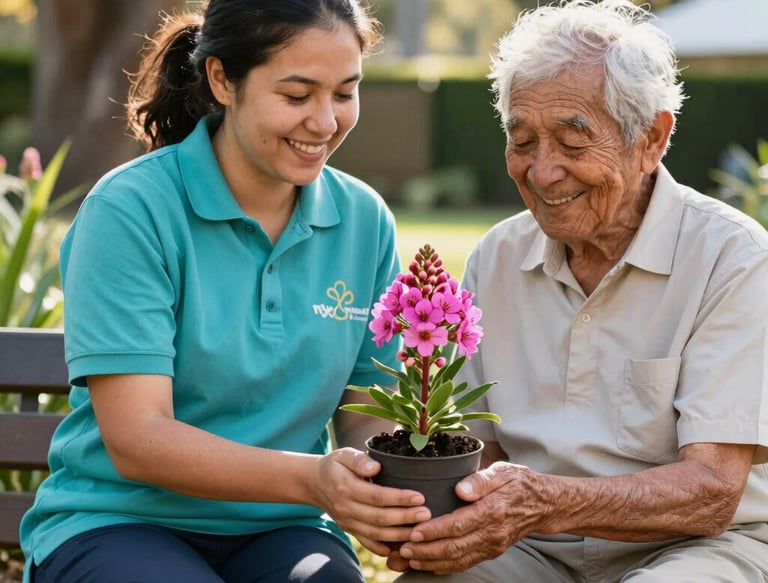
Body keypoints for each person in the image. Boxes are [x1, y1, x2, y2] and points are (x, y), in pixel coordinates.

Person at [19, 1, 431, 582]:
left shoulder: (364, 220)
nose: (325, 122)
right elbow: (138, 438)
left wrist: (390, 482)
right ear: (221, 80)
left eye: (344, 93)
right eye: (296, 95)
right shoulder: (130, 211)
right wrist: (313, 479)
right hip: (116, 523)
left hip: (284, 529)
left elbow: (365, 410)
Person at [389, 0, 768, 581]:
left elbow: (712, 492)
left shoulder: (732, 258)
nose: (542, 172)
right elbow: (474, 449)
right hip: (532, 547)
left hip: (695, 547)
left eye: (572, 142)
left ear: (652, 139)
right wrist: (425, 516)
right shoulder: (496, 257)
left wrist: (541, 501)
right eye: (522, 141)